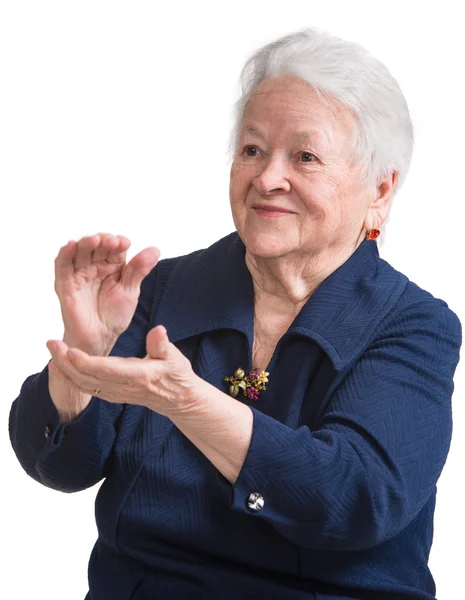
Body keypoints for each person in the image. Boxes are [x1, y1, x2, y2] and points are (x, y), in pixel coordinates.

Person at [9, 26, 462, 600]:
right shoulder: (164, 287)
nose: (269, 178)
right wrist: (84, 355)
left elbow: (354, 497)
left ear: (380, 189)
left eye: (305, 155)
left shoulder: (413, 325)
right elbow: (61, 467)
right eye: (252, 149)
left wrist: (187, 401)